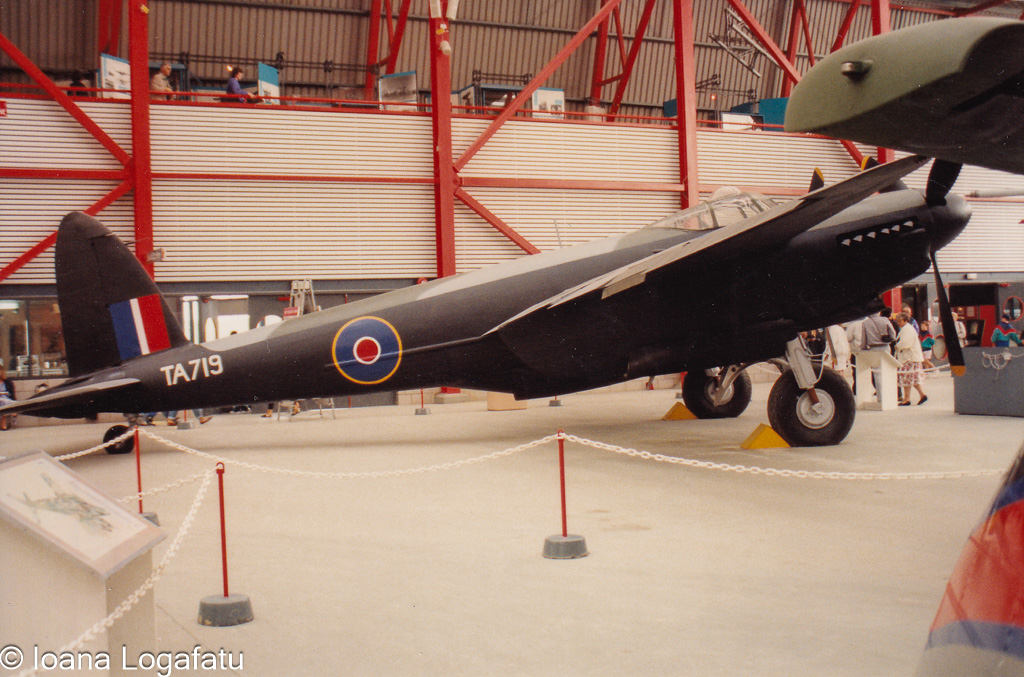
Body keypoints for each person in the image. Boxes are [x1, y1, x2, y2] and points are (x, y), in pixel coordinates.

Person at [895, 311, 927, 406]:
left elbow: (906, 343)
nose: (898, 323)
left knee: (907, 379)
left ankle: (906, 399)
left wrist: (897, 346)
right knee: (913, 379)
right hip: (912, 358)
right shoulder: (907, 328)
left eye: (899, 321)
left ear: (905, 320)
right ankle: (922, 395)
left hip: (909, 358)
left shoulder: (907, 329)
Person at [0, 365, 15, 431]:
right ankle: (13, 412)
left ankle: (3, 424)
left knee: (5, 401)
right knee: (4, 402)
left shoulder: (7, 382)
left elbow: (12, 393)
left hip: (5, 397)